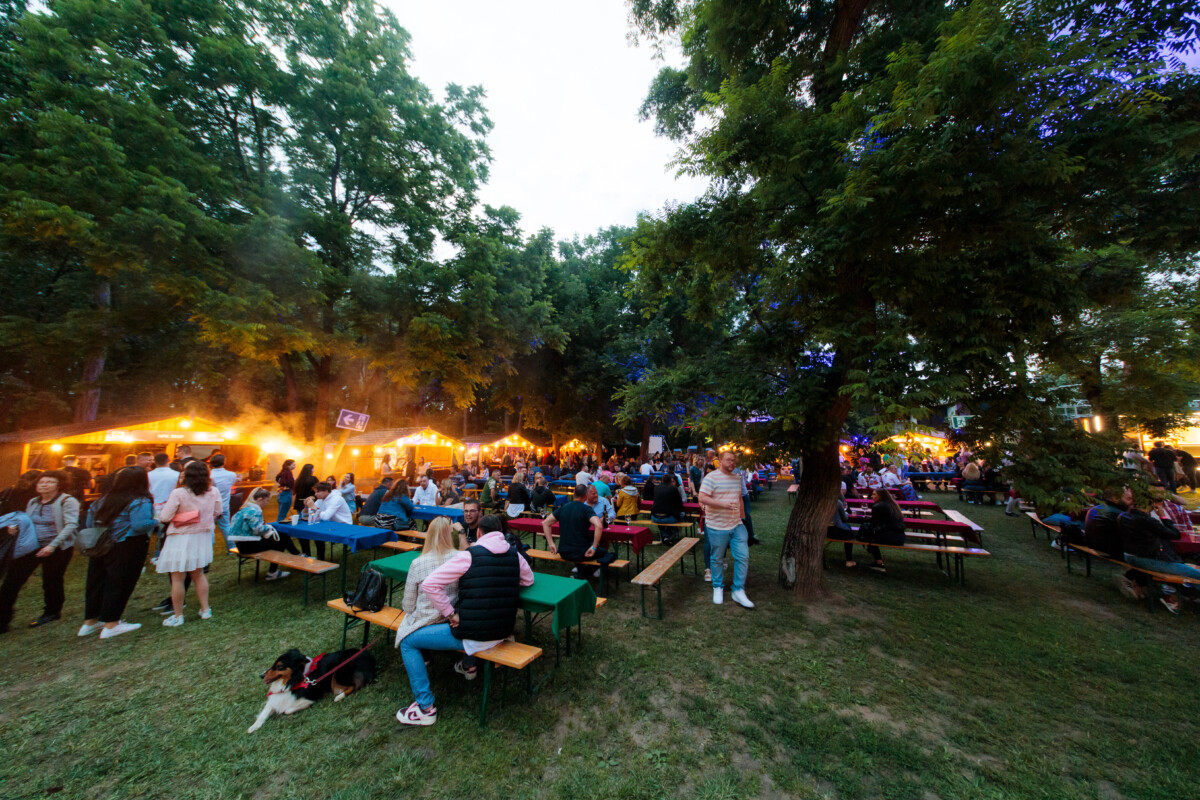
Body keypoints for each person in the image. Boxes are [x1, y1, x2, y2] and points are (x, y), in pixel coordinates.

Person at [396, 514, 534, 726]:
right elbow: (528, 579)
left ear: (478, 533)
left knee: (407, 641)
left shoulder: (469, 556)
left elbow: (430, 584)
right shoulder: (514, 555)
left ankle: (425, 707)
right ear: (501, 532)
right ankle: (466, 664)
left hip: (473, 635)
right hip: (503, 630)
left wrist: (451, 614)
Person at [77, 466, 156, 639]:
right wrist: (156, 521)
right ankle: (111, 623)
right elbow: (140, 525)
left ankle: (90, 621)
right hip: (127, 544)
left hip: (101, 543)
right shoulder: (139, 501)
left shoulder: (102, 500)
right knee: (120, 582)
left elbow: (90, 522)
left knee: (96, 581)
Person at [0, 470, 79, 632]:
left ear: (59, 485)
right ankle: (2, 620)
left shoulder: (67, 501)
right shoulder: (33, 502)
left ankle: (52, 612)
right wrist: (15, 527)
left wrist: (52, 546)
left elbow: (71, 525)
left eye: (49, 482)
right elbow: (29, 523)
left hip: (58, 548)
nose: (44, 485)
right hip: (32, 546)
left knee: (51, 580)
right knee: (11, 581)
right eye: (41, 482)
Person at [156, 460, 222, 627]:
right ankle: (205, 609)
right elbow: (218, 511)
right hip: (201, 536)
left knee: (178, 577)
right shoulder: (213, 491)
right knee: (198, 574)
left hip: (181, 536)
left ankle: (178, 615)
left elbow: (165, 517)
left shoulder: (179, 493)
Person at [1118, 497, 1199, 614]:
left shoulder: (1124, 516)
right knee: (1195, 573)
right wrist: (1163, 517)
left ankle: (1183, 595)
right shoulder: (1147, 521)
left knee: (1189, 568)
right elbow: (1175, 534)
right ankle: (1182, 596)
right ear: (1151, 505)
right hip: (1147, 559)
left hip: (1130, 556)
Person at [698, 450, 754, 608]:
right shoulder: (711, 477)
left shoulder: (737, 478)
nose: (732, 463)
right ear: (720, 460)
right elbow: (702, 498)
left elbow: (738, 497)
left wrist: (742, 516)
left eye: (734, 461)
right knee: (717, 558)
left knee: (743, 556)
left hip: (736, 524)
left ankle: (738, 590)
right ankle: (717, 587)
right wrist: (723, 505)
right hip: (716, 525)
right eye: (729, 460)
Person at [227, 488, 297, 580]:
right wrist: (268, 527)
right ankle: (276, 569)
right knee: (281, 539)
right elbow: (257, 530)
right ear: (260, 499)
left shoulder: (243, 510)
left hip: (240, 545)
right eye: (267, 500)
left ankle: (295, 556)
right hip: (249, 546)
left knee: (281, 538)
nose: (267, 503)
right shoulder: (254, 511)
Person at [543, 485, 617, 571]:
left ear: (574, 494)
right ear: (586, 495)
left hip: (564, 552)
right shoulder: (586, 509)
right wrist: (594, 547)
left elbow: (545, 523)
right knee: (608, 554)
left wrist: (551, 543)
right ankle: (586, 572)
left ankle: (581, 570)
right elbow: (599, 525)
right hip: (582, 553)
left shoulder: (563, 507)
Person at [851, 489, 907, 572]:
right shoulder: (893, 505)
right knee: (871, 534)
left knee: (870, 535)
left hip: (889, 537)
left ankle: (879, 562)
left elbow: (874, 523)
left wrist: (864, 520)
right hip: (900, 537)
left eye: (874, 494)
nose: (871, 496)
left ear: (880, 496)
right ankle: (878, 562)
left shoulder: (878, 506)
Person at [292, 464, 322, 559]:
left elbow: (295, 491)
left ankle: (306, 552)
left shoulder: (298, 479)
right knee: (312, 523)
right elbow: (318, 488)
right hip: (309, 502)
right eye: (313, 468)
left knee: (302, 525)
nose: (314, 470)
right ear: (311, 470)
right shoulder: (313, 479)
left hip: (299, 503)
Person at [208, 454, 238, 544]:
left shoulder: (209, 475)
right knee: (226, 526)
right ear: (224, 462)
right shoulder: (231, 474)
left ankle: (209, 547)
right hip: (224, 505)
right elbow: (232, 484)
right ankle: (231, 547)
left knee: (210, 528)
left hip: (210, 505)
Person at [651, 474, 685, 543]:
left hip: (654, 517)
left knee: (662, 519)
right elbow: (679, 503)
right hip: (668, 518)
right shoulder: (673, 488)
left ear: (662, 481)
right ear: (670, 481)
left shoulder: (656, 488)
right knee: (680, 517)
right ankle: (669, 535)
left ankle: (665, 535)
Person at [273, 459, 296, 524]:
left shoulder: (282, 472)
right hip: (287, 494)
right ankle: (279, 526)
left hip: (281, 494)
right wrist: (294, 481)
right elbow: (289, 483)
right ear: (288, 465)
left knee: (281, 513)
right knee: (282, 515)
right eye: (293, 465)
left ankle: (278, 525)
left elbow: (277, 479)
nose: (294, 466)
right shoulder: (288, 473)